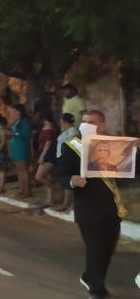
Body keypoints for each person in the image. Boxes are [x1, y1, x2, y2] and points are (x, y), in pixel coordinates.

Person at [57, 110, 121, 299]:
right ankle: (97, 290)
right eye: (83, 121)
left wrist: (136, 152)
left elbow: (133, 170)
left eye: (91, 122)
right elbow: (60, 173)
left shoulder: (115, 146)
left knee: (108, 248)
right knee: (95, 249)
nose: (86, 125)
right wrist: (71, 180)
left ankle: (89, 276)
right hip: (87, 208)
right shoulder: (73, 146)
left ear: (102, 125)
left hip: (111, 207)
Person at [34, 110, 60, 207]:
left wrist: (42, 156)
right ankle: (50, 200)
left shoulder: (49, 128)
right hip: (45, 152)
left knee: (39, 176)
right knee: (47, 176)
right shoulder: (47, 127)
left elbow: (48, 143)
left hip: (48, 154)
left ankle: (53, 188)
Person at [54, 113, 78, 212]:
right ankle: (68, 203)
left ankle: (68, 204)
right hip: (62, 157)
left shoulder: (73, 131)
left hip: (68, 158)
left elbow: (74, 142)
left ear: (64, 121)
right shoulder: (66, 131)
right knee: (65, 182)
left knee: (68, 182)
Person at [7, 104, 33, 198]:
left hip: (22, 146)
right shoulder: (16, 121)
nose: (13, 113)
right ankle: (21, 188)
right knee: (19, 170)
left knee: (24, 169)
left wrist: (13, 133)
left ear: (20, 112)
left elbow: (25, 135)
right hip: (15, 146)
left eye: (15, 111)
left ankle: (27, 190)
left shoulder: (25, 122)